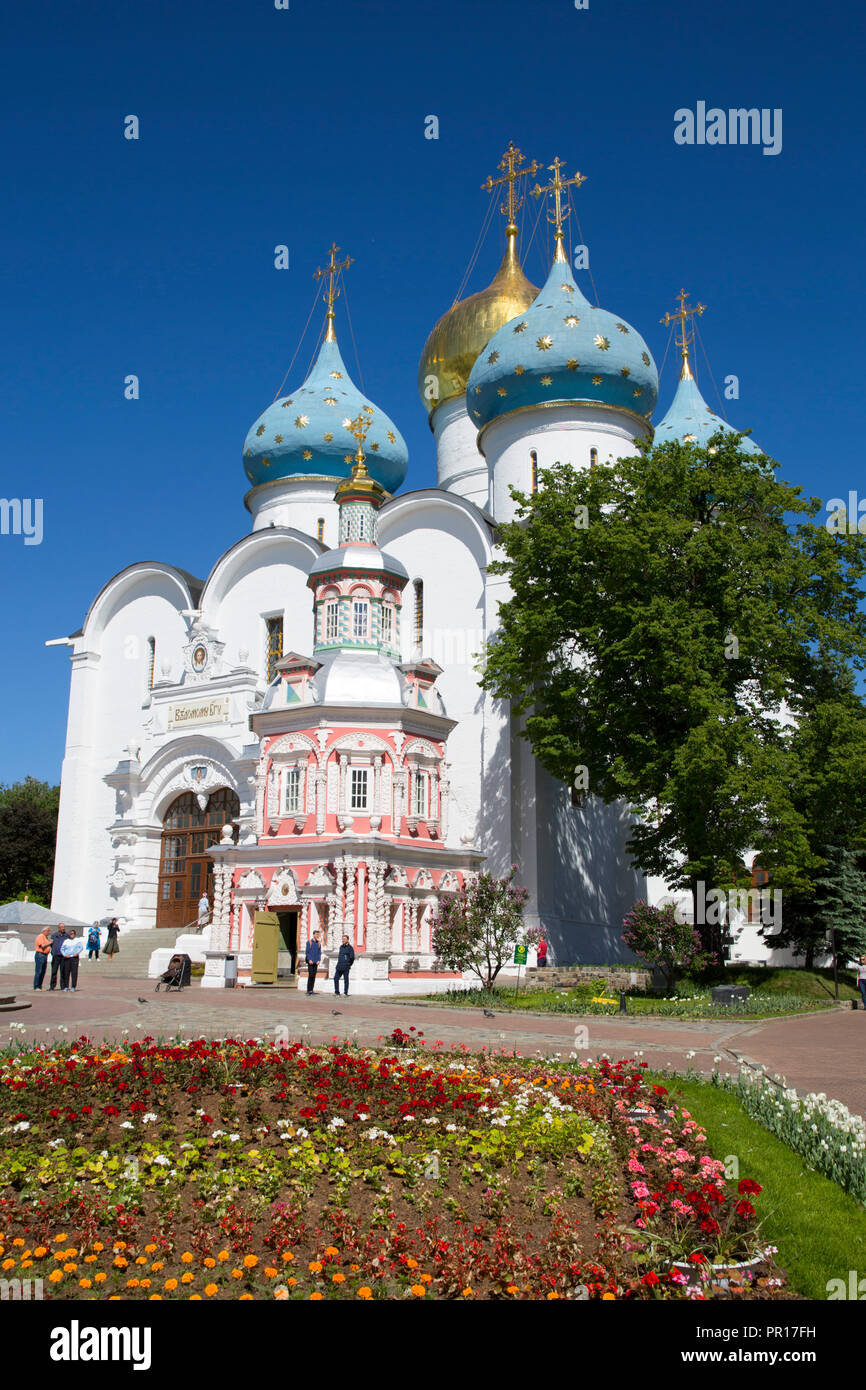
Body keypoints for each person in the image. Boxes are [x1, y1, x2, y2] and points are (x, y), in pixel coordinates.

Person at [304, 930, 322, 995]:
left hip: (316, 962)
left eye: (318, 935)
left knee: (314, 976)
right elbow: (307, 952)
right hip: (310, 962)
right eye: (316, 934)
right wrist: (309, 959)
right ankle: (308, 990)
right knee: (310, 975)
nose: (317, 936)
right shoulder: (309, 942)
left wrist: (319, 960)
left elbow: (319, 953)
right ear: (313, 935)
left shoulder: (319, 943)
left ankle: (311, 990)